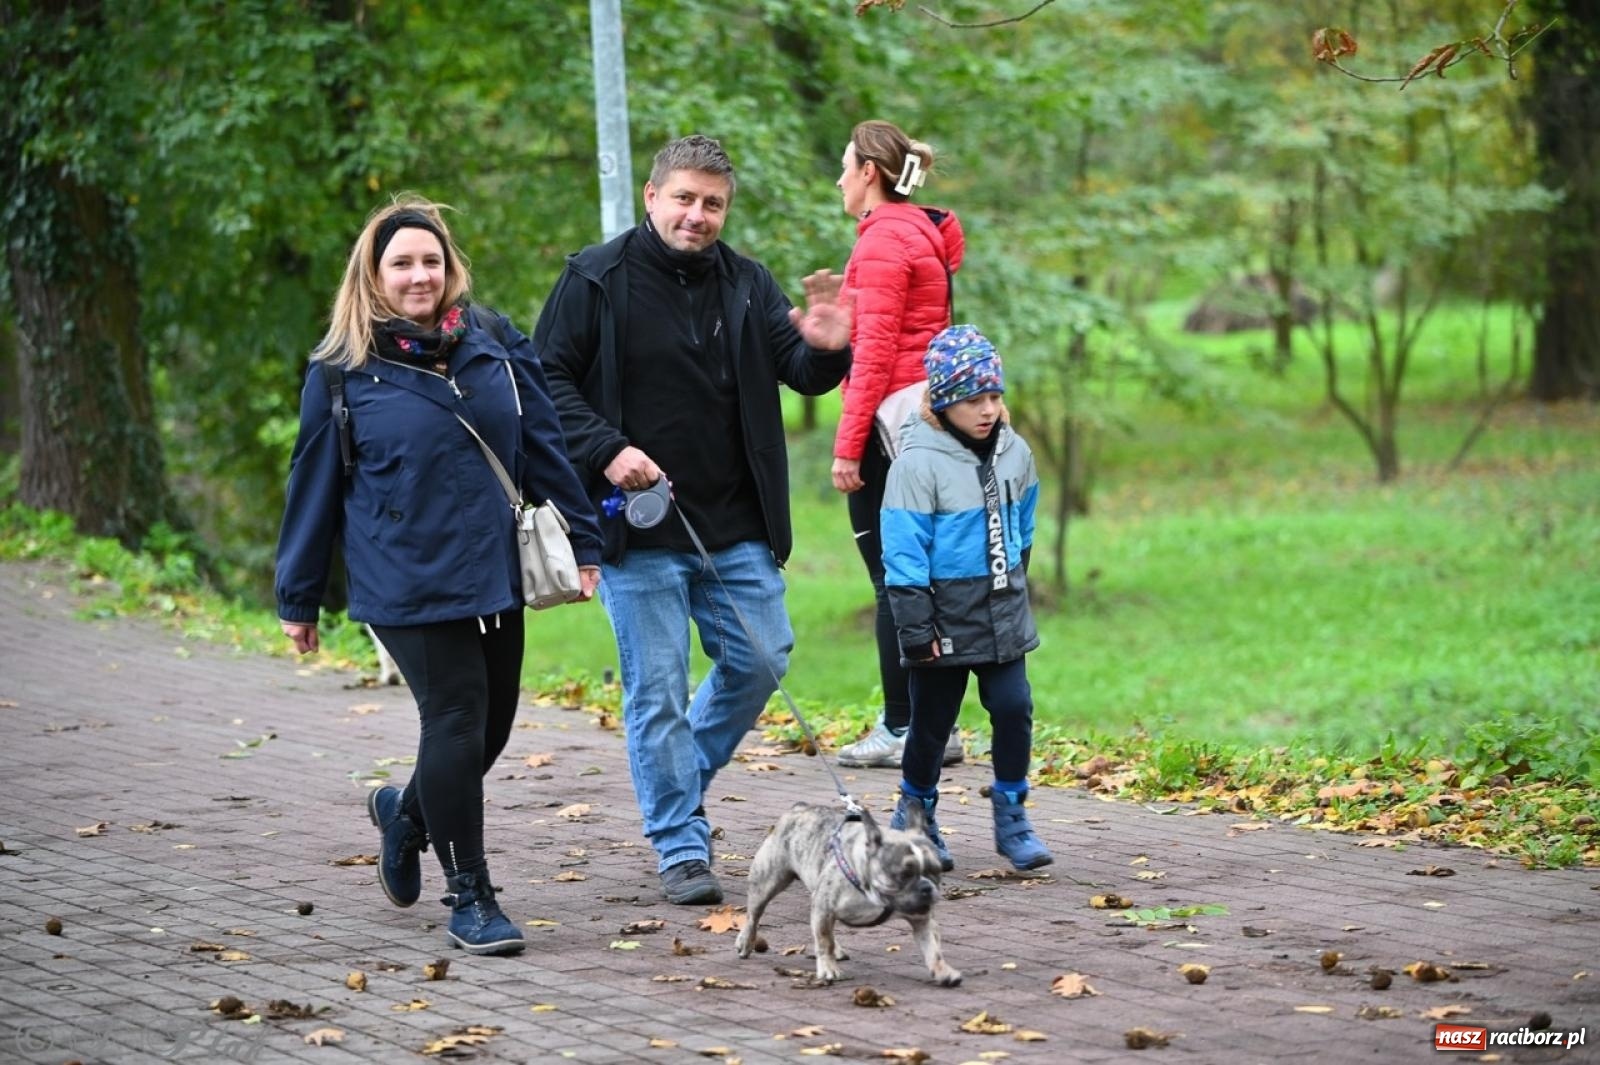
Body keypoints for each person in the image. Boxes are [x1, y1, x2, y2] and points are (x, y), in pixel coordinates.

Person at [275, 196, 604, 955]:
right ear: (375, 276)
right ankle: (473, 895)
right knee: (454, 720)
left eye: (431, 260)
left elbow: (543, 444)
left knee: (488, 729)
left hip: (492, 565)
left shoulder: (491, 341)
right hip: (405, 575)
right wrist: (299, 596)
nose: (419, 275)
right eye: (402, 264)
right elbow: (311, 485)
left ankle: (407, 813)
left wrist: (585, 538)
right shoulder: (342, 374)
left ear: (449, 267)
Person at [534, 134, 852, 905]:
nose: (697, 215)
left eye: (712, 203)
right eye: (684, 198)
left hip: (734, 524)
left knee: (762, 658)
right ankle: (680, 842)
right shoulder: (596, 279)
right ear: (652, 197)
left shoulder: (747, 283)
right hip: (632, 528)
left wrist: (832, 346)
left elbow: (801, 371)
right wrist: (606, 447)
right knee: (658, 692)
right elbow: (543, 378)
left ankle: (674, 780)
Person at [881, 324, 1054, 873]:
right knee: (933, 721)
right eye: (974, 399)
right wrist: (916, 626)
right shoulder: (916, 464)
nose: (988, 409)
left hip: (1001, 610)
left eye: (995, 396)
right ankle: (915, 810)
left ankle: (1011, 814)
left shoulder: (1015, 452)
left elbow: (1023, 527)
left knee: (1014, 707)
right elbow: (903, 555)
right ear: (945, 401)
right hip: (941, 615)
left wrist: (1014, 585)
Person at [829, 120, 969, 771]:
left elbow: (878, 352)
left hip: (892, 430)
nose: (838, 179)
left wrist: (848, 448)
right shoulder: (919, 230)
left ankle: (903, 726)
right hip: (927, 420)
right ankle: (938, 727)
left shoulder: (886, 239)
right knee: (924, 577)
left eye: (845, 166)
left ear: (869, 173)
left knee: (896, 581)